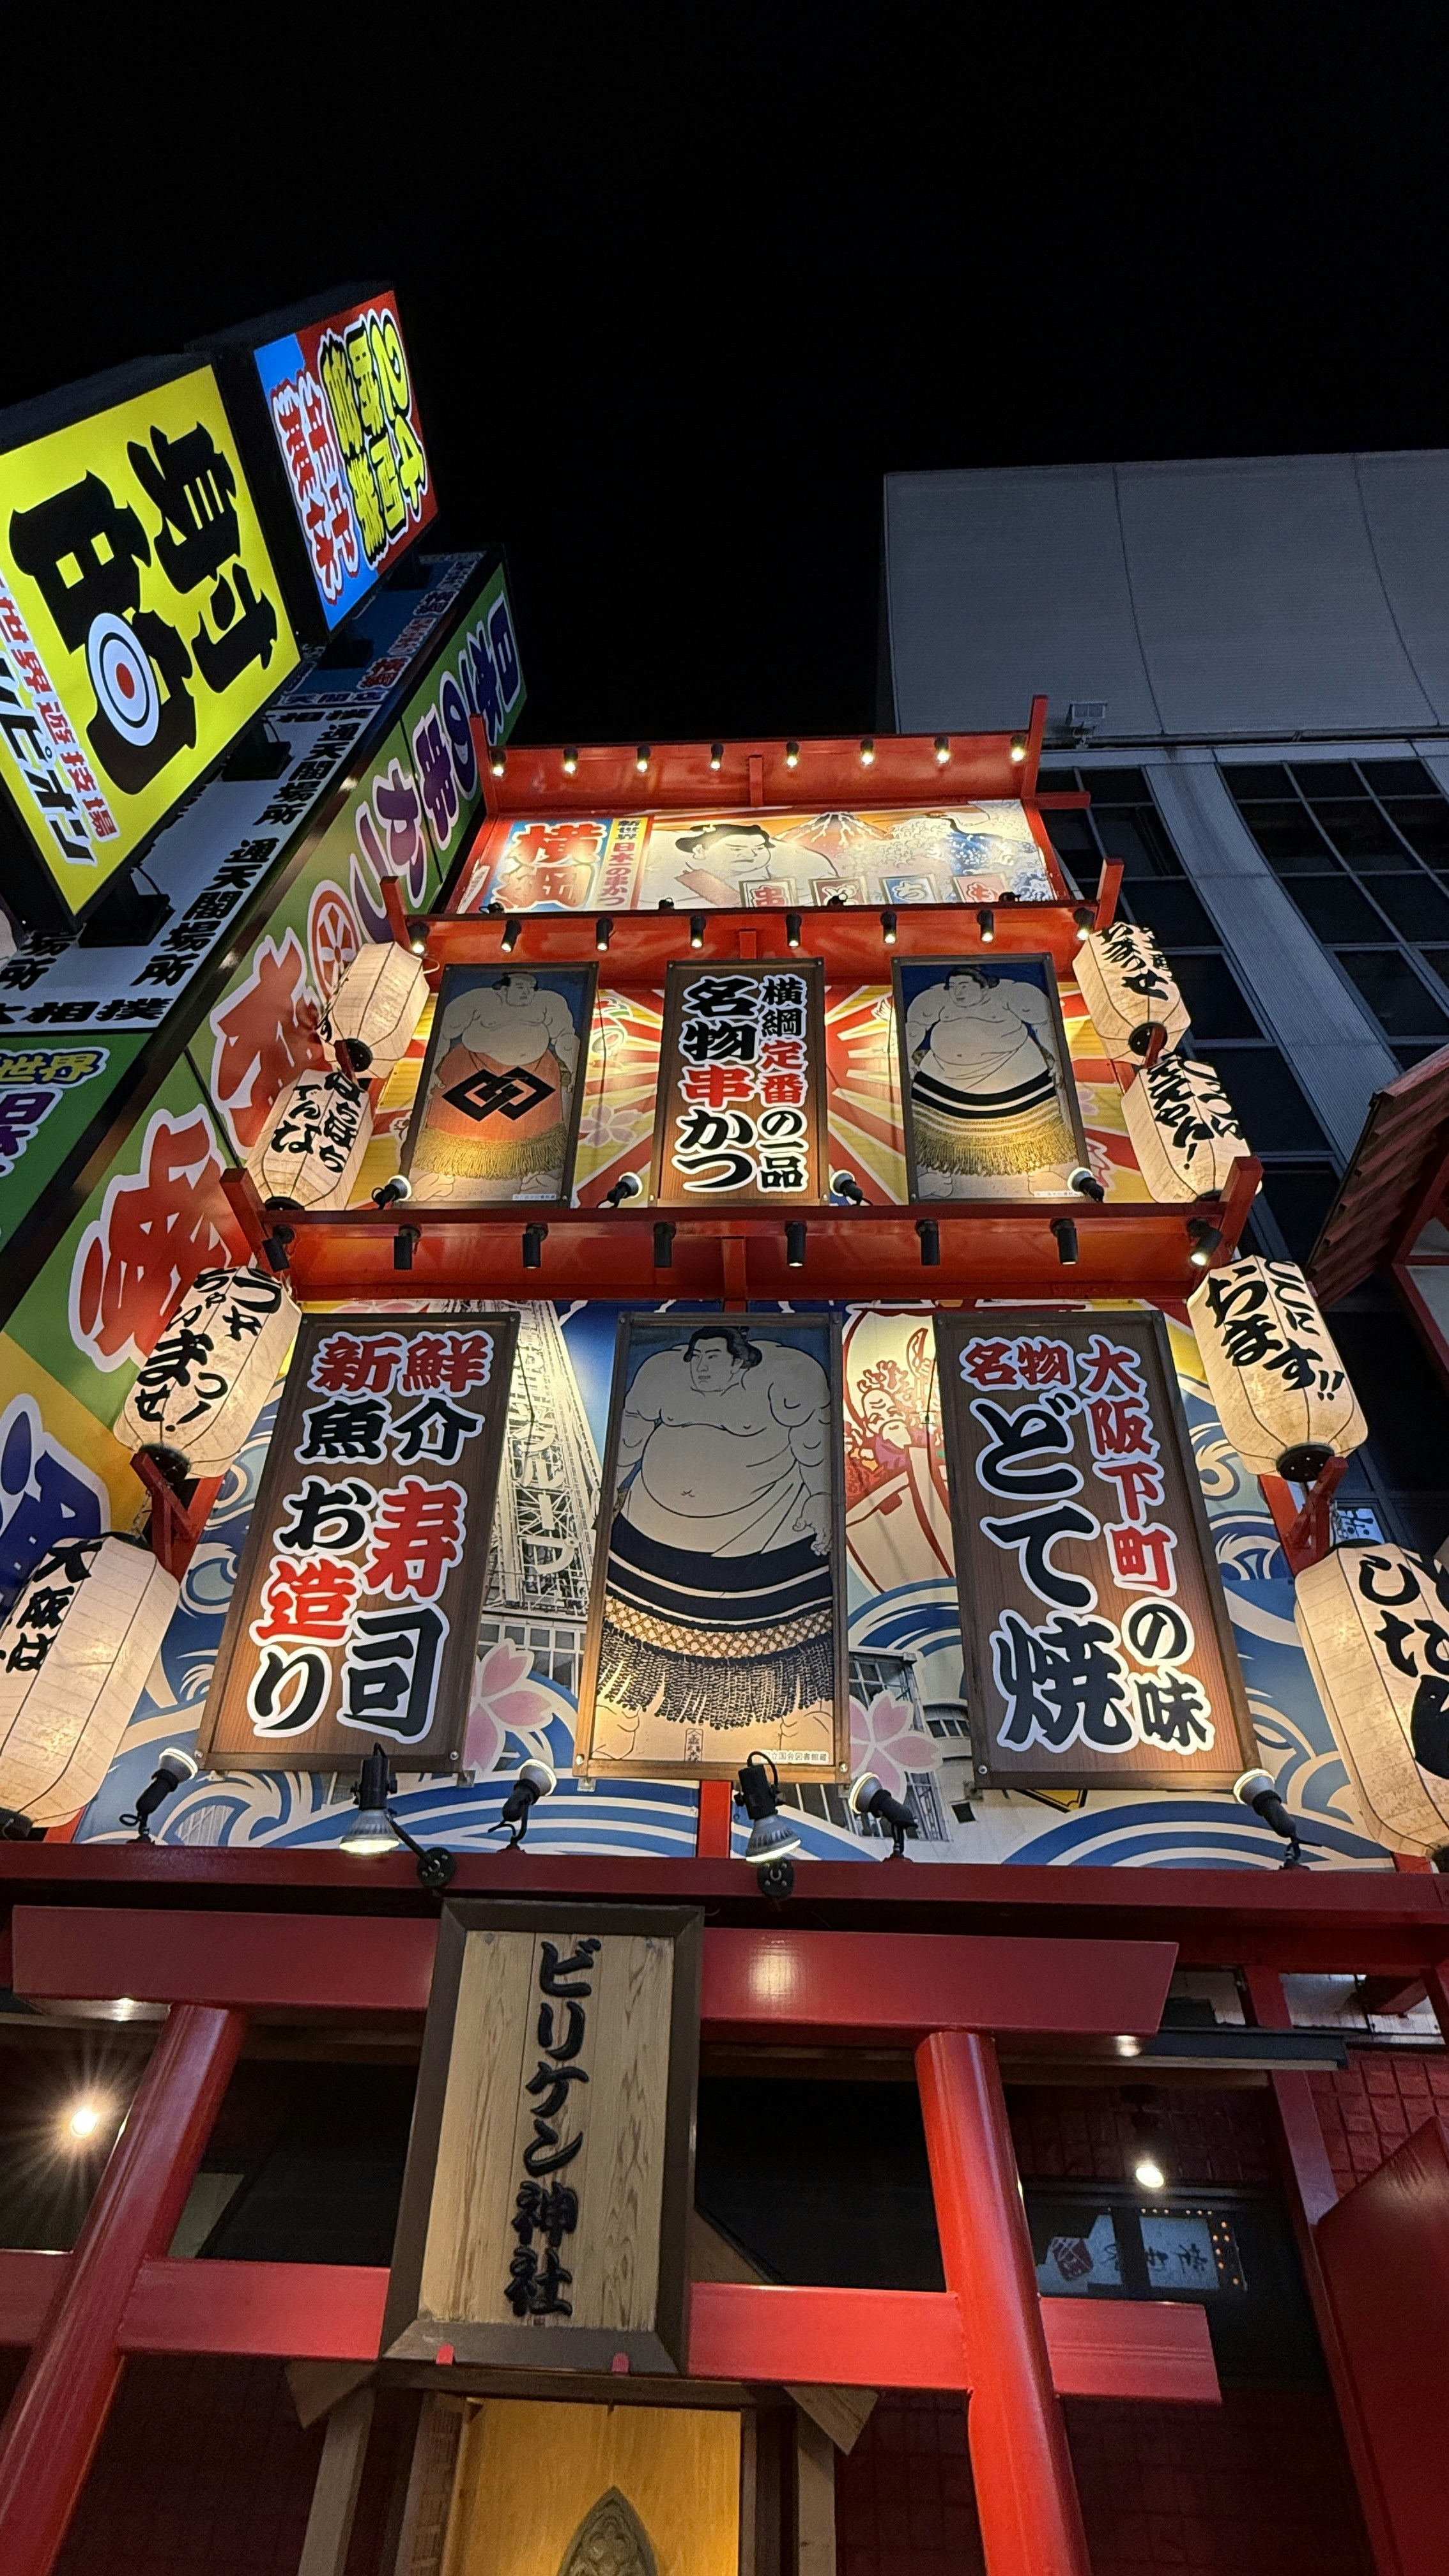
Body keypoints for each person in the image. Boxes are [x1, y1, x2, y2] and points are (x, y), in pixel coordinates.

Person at [595, 1325, 835, 1748]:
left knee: (783, 1665)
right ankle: (627, 1731)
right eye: (697, 1357)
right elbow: (629, 1436)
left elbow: (813, 1443)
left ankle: (794, 1734)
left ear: (739, 1361)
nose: (701, 1367)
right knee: (630, 1656)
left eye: (714, 1357)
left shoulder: (786, 1378)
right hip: (651, 1532)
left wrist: (819, 1497)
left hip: (760, 1538)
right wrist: (609, 1491)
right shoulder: (660, 1374)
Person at [903, 965, 1078, 1193]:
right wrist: (907, 1058)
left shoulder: (1012, 993)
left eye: (964, 986)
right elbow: (913, 1028)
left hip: (1012, 1068)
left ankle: (1040, 1175)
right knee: (934, 1130)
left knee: (1034, 1127)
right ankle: (939, 1178)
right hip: (946, 1073)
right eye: (953, 986)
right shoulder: (936, 999)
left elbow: (1045, 1024)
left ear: (984, 987)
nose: (957, 992)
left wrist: (1057, 1058)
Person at [410, 973, 581, 1200]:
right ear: (504, 988)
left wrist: (575, 1071)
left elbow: (566, 1038)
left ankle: (537, 1177)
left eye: (531, 987)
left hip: (534, 1071)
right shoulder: (478, 1000)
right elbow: (444, 1033)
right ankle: (440, 1176)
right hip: (473, 1068)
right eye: (520, 987)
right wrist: (432, 1070)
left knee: (539, 1126)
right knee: (452, 1122)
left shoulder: (549, 1003)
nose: (526, 992)